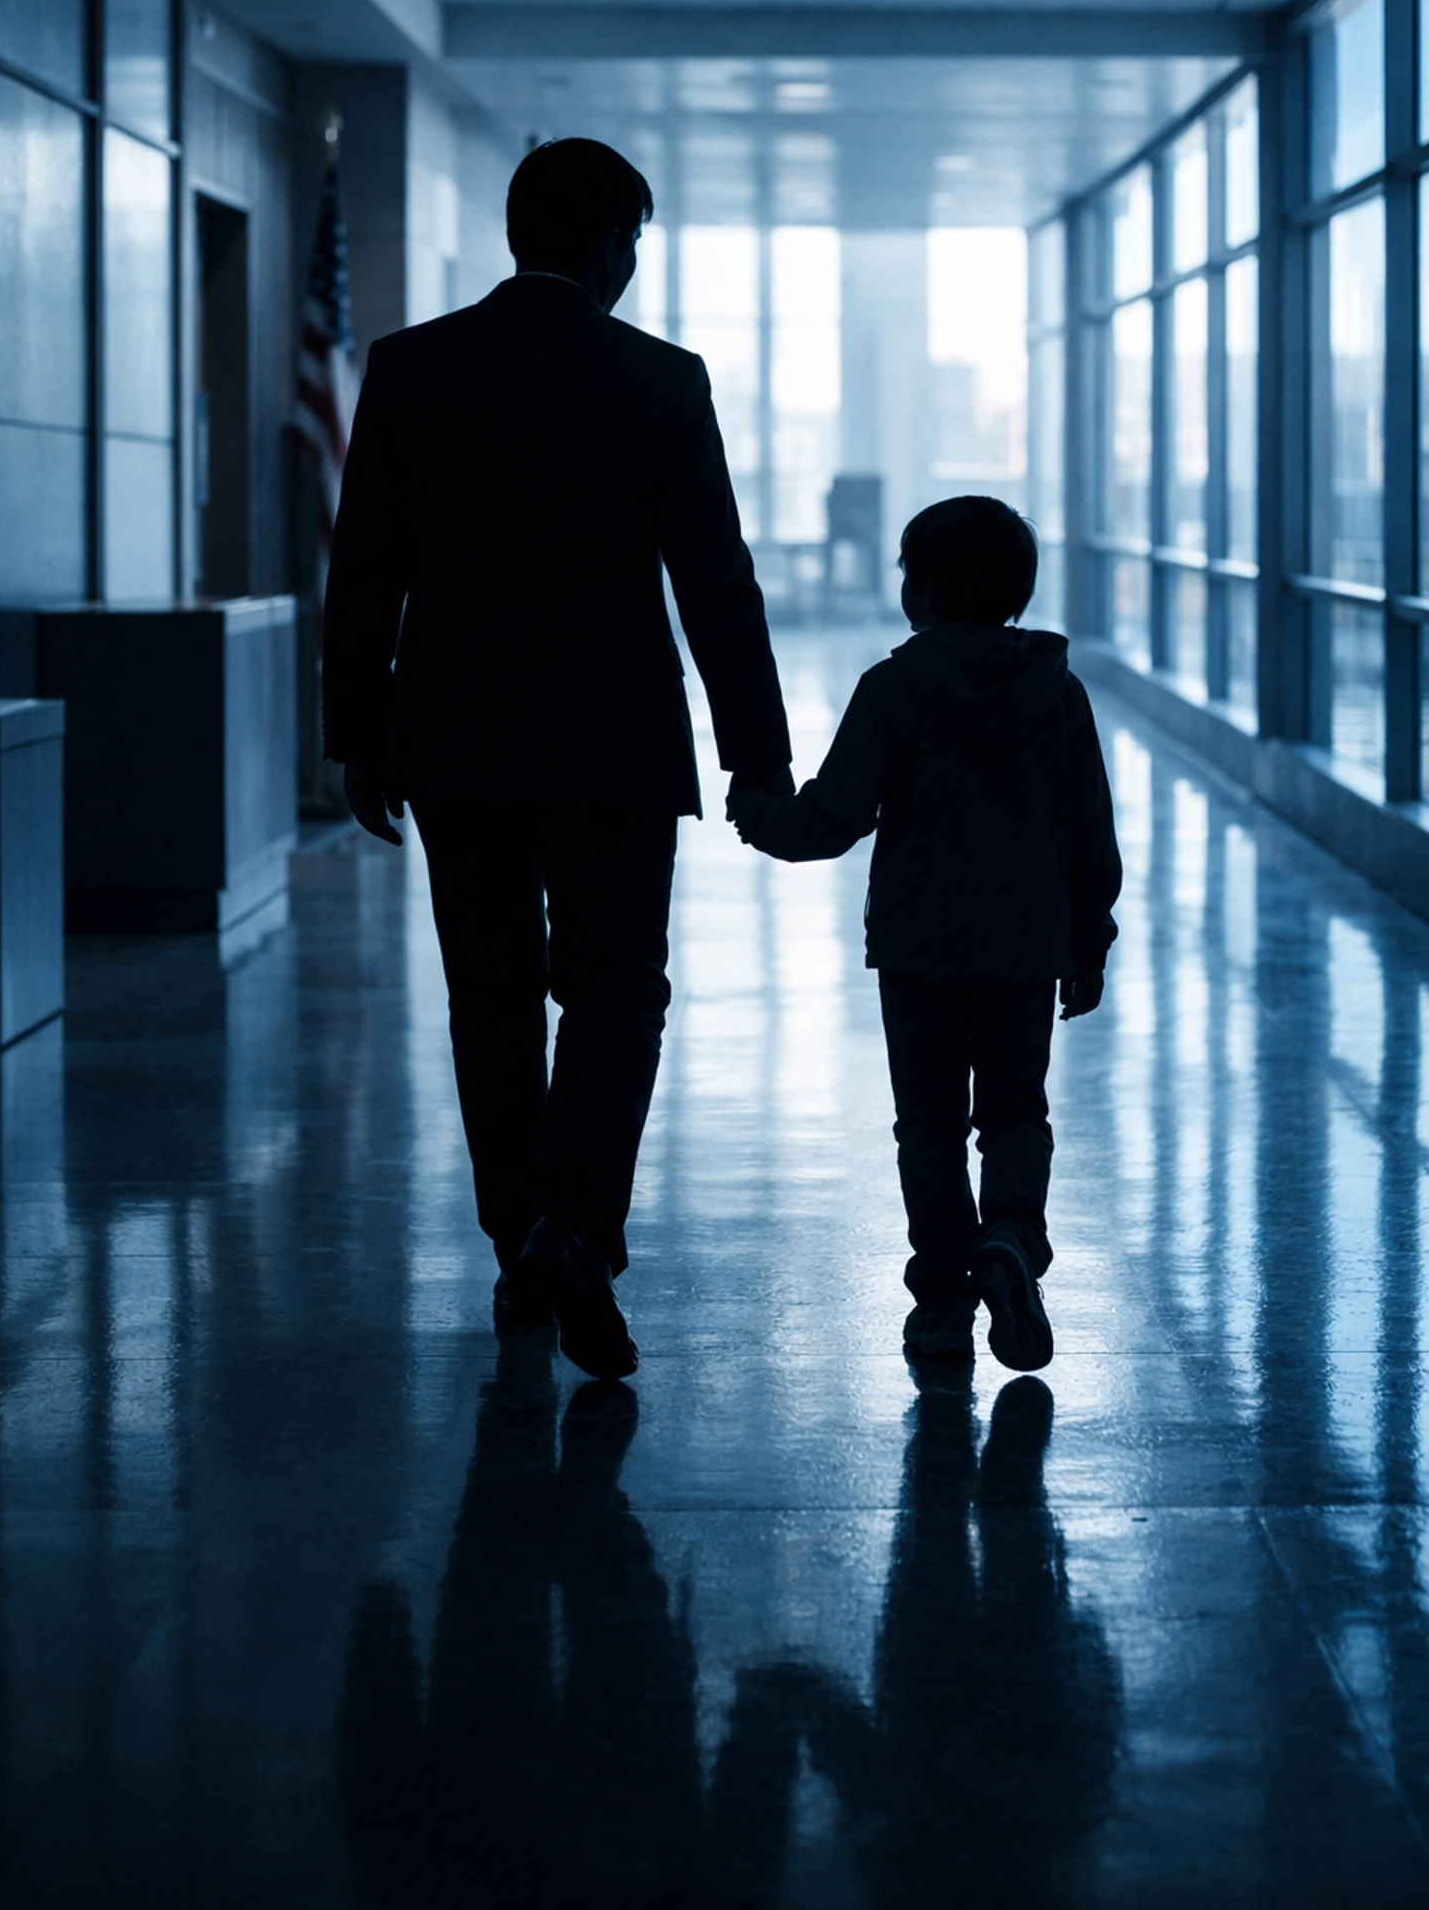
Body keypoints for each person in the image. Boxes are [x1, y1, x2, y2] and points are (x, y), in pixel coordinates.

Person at [322, 137, 792, 1382]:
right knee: (616, 992)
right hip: (615, 746)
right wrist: (758, 755)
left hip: (456, 743)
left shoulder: (412, 370)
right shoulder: (659, 380)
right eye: (632, 243)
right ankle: (574, 1231)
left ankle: (519, 1240)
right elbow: (717, 587)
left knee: (491, 997)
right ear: (607, 246)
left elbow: (365, 569)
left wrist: (355, 735)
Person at [729, 495, 1121, 1370]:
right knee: (1016, 1110)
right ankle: (1012, 1242)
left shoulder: (896, 689)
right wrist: (1087, 939)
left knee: (931, 1124)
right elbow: (1091, 833)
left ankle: (943, 1299)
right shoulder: (1061, 696)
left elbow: (832, 816)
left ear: (928, 591)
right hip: (1025, 949)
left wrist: (759, 812)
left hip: (920, 951)